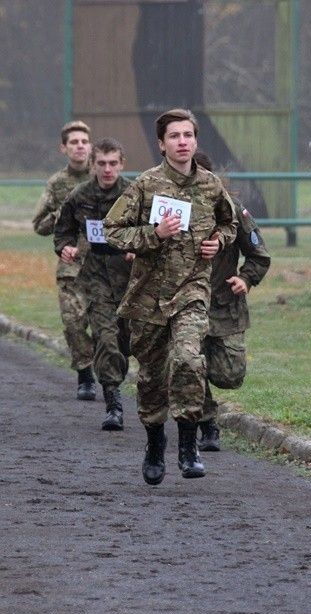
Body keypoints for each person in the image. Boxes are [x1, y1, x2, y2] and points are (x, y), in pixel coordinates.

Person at [104, 108, 236, 485]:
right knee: (151, 377)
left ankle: (189, 444)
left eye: (188, 135)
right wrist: (153, 235)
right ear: (161, 144)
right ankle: (155, 442)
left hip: (192, 291)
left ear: (196, 141)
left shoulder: (211, 185)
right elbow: (113, 230)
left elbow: (230, 223)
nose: (182, 142)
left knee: (188, 360)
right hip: (149, 295)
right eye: (174, 136)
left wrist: (218, 241)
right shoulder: (145, 185)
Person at [190, 151, 271, 452]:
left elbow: (259, 255)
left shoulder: (233, 211)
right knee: (189, 366)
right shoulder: (173, 211)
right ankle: (206, 423)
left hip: (224, 304)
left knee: (230, 375)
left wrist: (246, 278)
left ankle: (198, 387)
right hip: (186, 304)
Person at [54, 137, 133, 430]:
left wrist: (138, 247)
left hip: (130, 278)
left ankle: (116, 373)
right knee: (105, 337)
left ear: (122, 164)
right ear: (93, 165)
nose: (108, 169)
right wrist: (66, 247)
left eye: (113, 163)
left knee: (125, 341)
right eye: (101, 163)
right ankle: (114, 405)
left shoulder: (134, 193)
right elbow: (63, 230)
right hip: (96, 275)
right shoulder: (79, 196)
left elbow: (154, 229)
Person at [33, 120, 96, 400]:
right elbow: (39, 225)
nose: (80, 146)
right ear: (64, 148)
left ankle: (109, 375)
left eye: (84, 141)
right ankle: (85, 375)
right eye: (74, 142)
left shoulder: (104, 176)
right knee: (73, 322)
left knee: (111, 327)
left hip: (106, 266)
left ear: (90, 146)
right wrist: (60, 215)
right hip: (71, 264)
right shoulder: (57, 184)